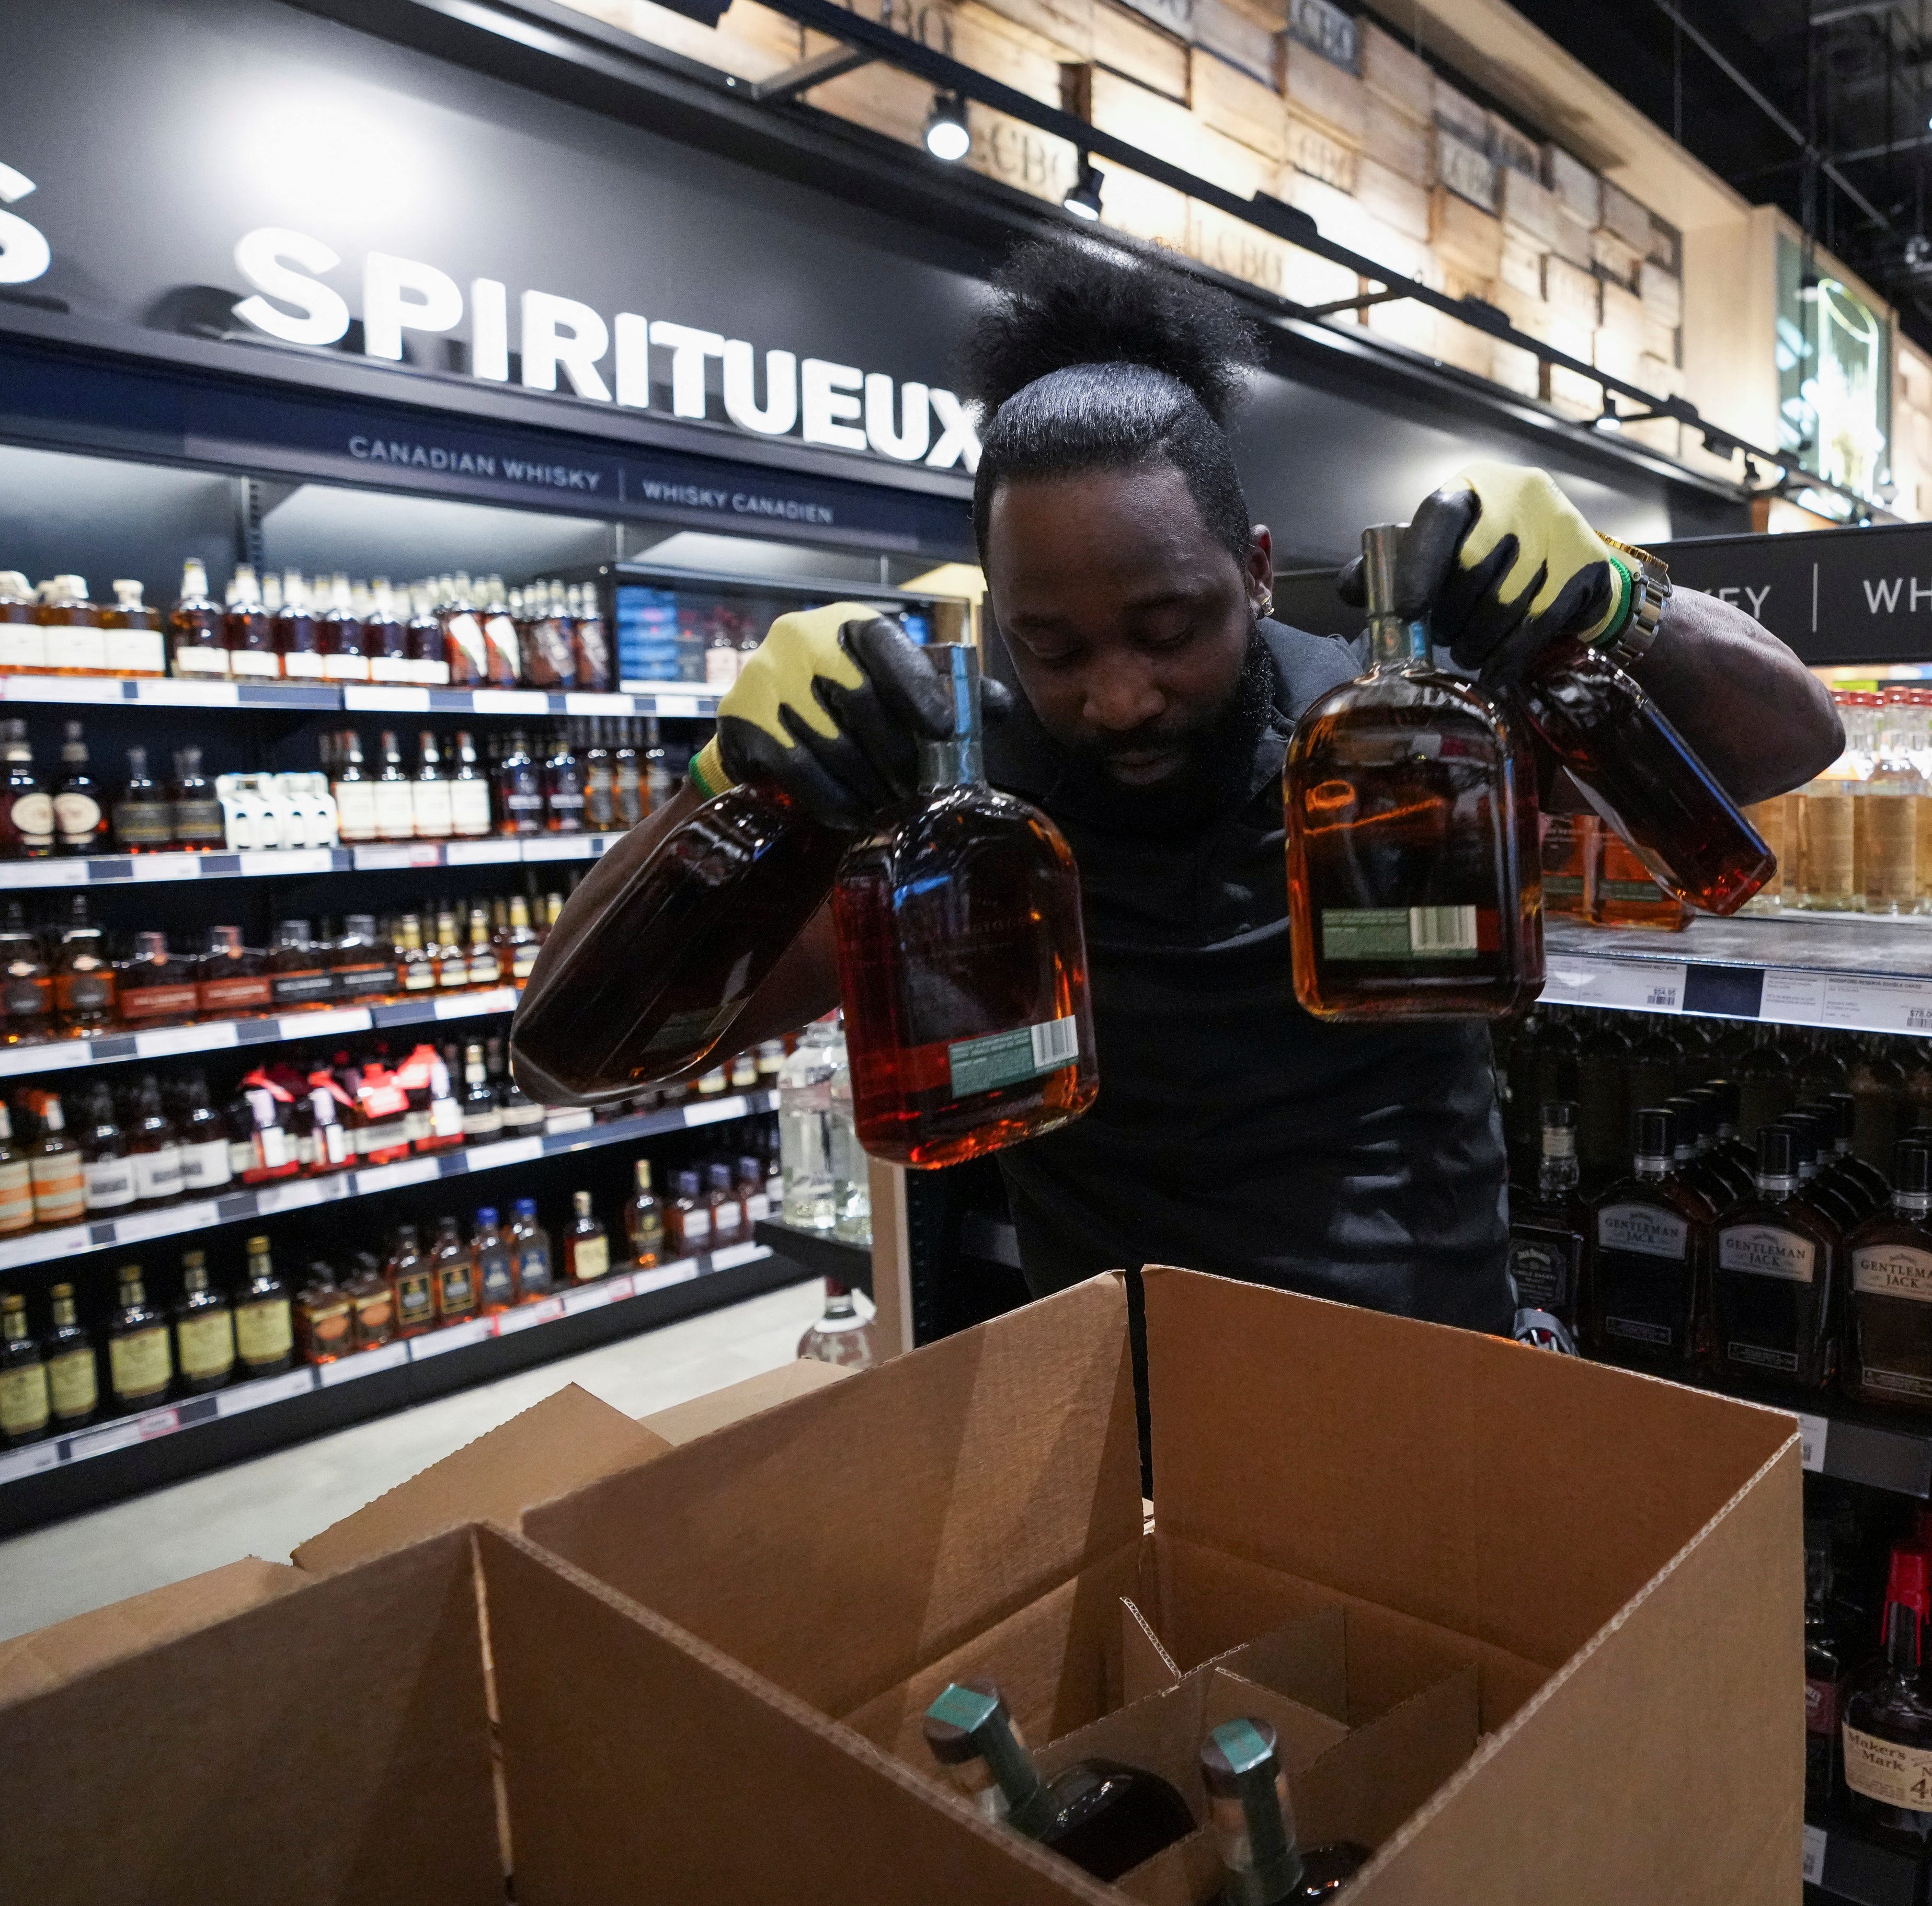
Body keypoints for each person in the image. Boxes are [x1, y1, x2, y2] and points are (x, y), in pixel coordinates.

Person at [519, 235, 1840, 1331]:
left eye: (1167, 629)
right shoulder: (943, 823)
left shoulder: (1394, 739)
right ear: (996, 613)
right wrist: (730, 801)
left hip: (1429, 1372)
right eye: (1054, 647)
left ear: (1258, 570)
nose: (1118, 695)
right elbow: (579, 1057)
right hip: (1125, 1411)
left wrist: (1616, 604)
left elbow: (1791, 743)